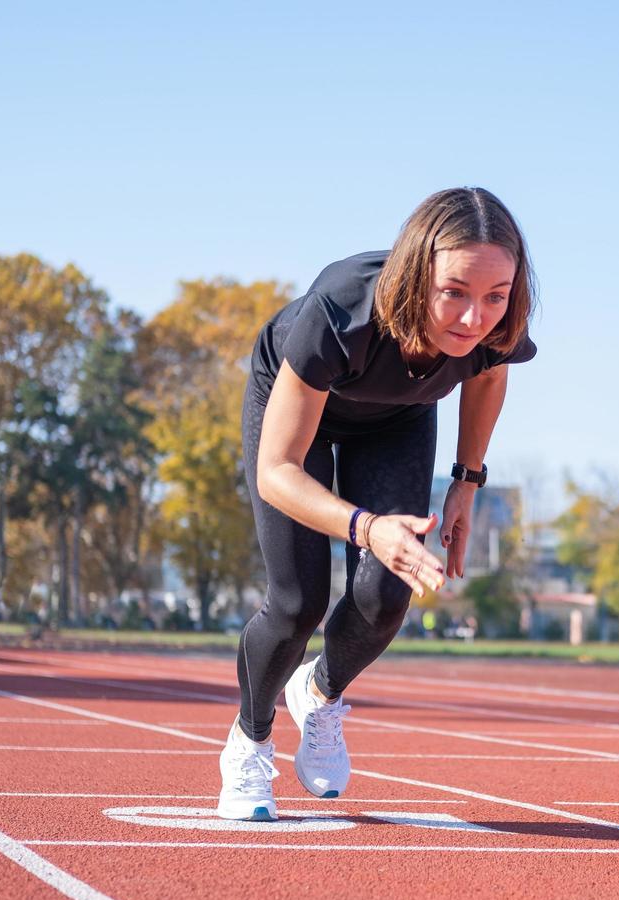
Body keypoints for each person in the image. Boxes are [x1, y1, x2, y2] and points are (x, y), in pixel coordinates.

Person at [218, 187, 537, 821]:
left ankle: (320, 691)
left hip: (397, 418)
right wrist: (366, 529)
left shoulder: (495, 324)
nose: (475, 320)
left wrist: (466, 482)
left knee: (388, 594)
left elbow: (490, 373)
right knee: (298, 600)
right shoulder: (339, 310)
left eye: (494, 298)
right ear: (418, 273)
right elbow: (277, 471)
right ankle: (250, 741)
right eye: (455, 292)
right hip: (299, 418)